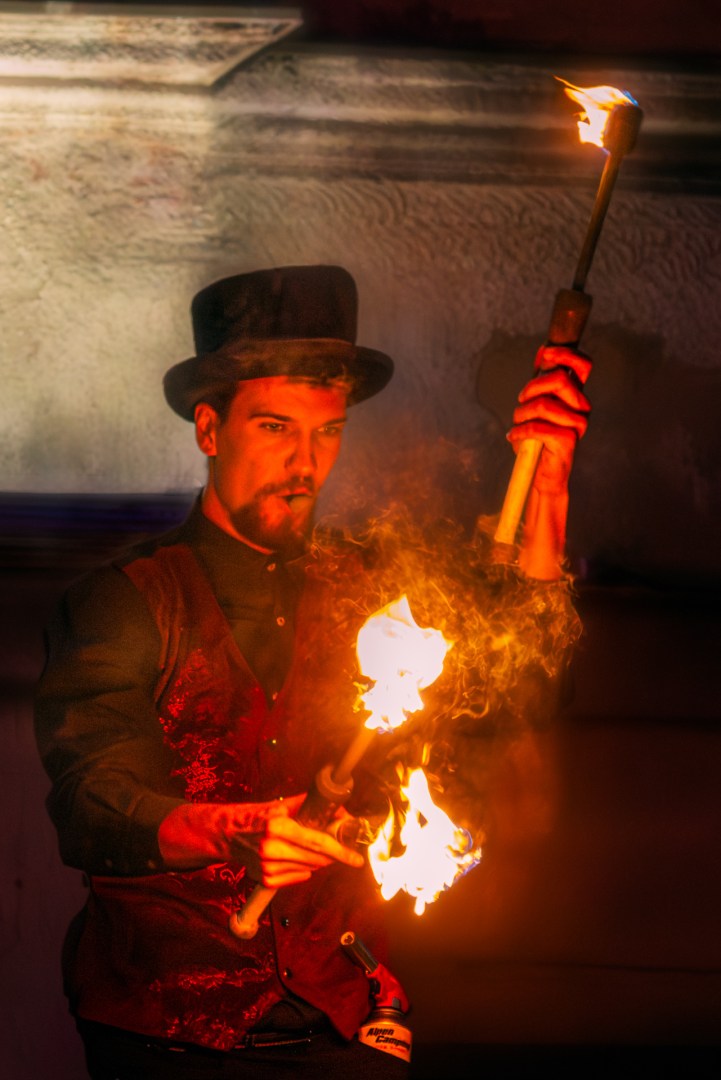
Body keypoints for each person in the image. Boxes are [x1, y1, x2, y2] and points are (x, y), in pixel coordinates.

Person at [35, 264, 591, 1079]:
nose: (303, 461)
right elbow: (91, 804)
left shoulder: (378, 593)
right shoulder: (123, 602)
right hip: (166, 1037)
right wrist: (229, 828)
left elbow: (522, 697)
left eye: (324, 430)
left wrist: (547, 489)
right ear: (209, 428)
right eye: (273, 426)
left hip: (347, 1027)